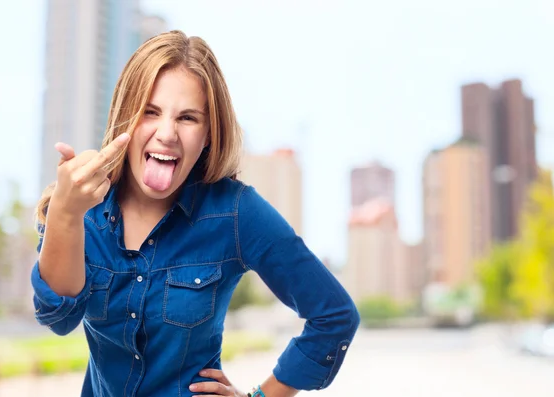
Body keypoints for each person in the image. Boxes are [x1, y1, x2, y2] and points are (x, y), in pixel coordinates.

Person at [31, 30, 359, 397]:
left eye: (187, 118)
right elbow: (57, 317)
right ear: (126, 118)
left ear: (208, 135)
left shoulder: (236, 213)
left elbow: (334, 317)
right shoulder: (83, 206)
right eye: (150, 112)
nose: (167, 134)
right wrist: (63, 213)